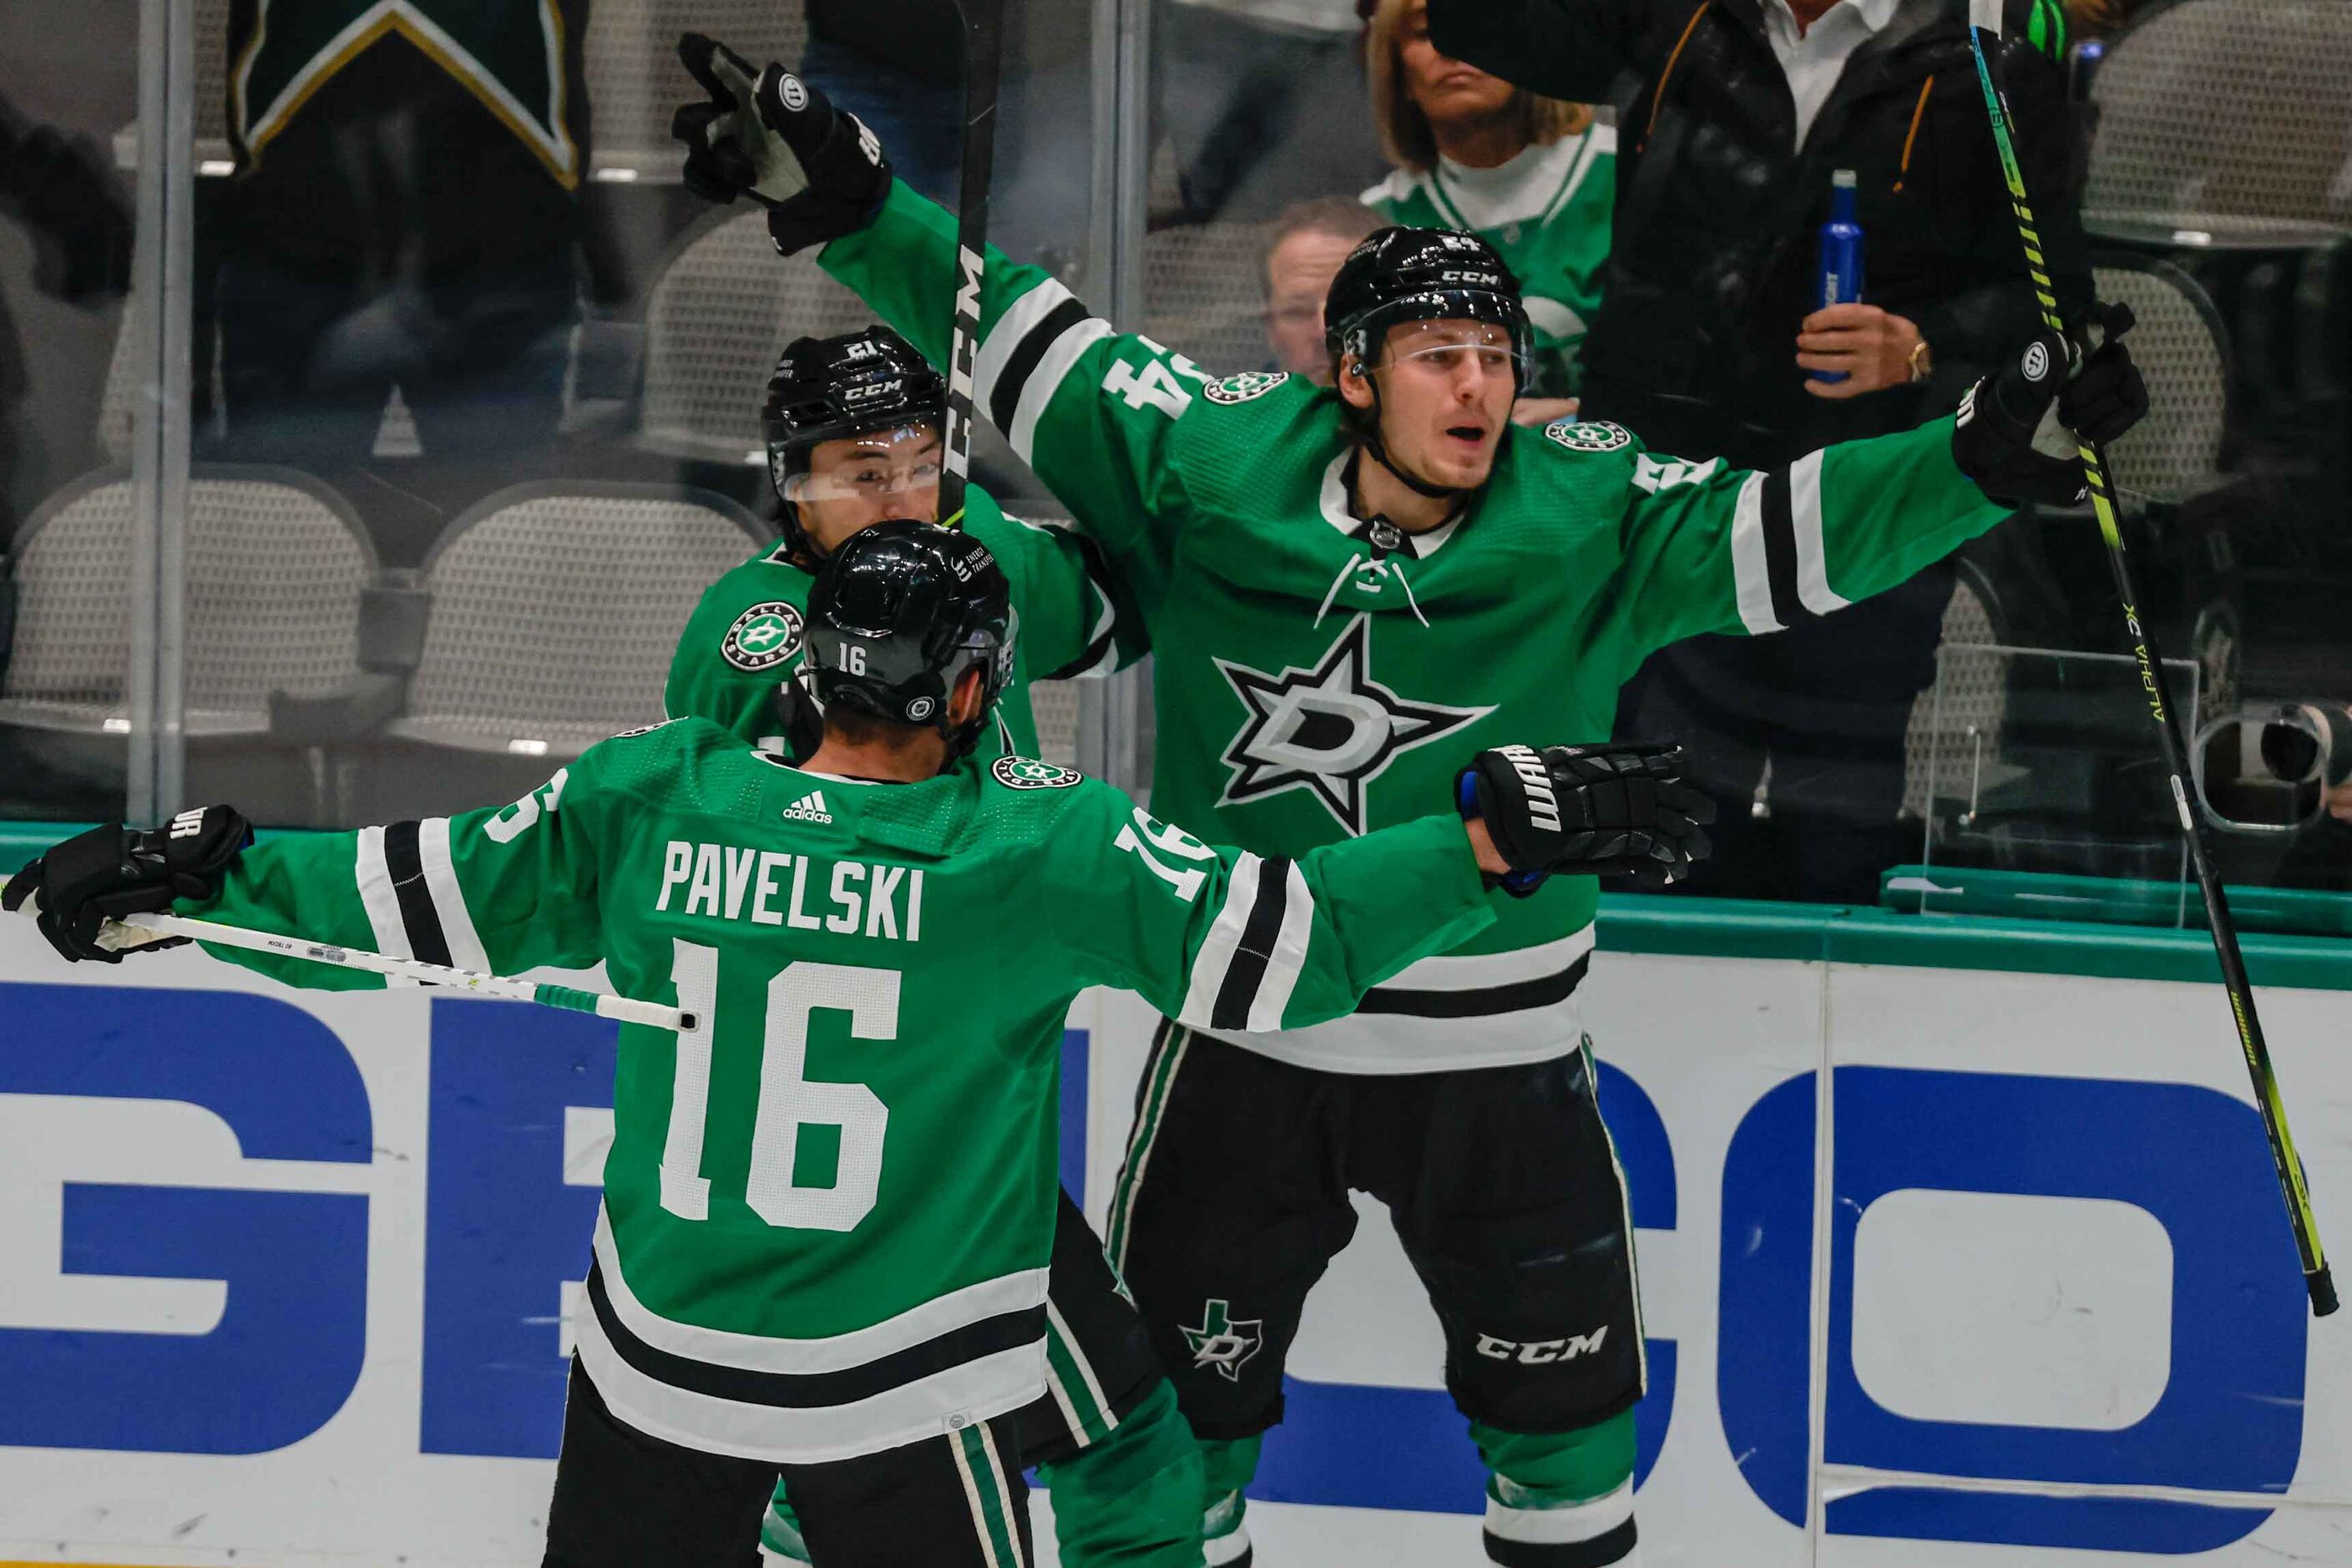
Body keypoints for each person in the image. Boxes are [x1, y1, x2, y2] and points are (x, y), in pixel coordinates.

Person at [668, 45, 2146, 1567]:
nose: (1478, 384)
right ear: (1352, 372)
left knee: (1571, 1471)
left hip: (1500, 1063)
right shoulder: (1209, 457)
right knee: (1175, 1458)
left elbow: (1788, 534)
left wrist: (1982, 452)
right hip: (1242, 1042)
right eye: (1436, 353)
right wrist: (850, 203)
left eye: (1496, 353)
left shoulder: (1585, 506)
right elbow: (1026, 341)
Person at [2, 518, 1695, 1568]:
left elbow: (393, 904)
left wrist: (182, 877)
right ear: (966, 692)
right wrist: (1482, 835)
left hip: (656, 1377)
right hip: (903, 1402)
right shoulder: (1035, 849)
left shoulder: (654, 795)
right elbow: (1292, 955)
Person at [662, 323, 1193, 1568]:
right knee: (1122, 1446)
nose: (897, 493)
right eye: (859, 468)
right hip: (898, 1139)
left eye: (915, 460)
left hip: (943, 1116)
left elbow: (1122, 609)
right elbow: (695, 865)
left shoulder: (966, 558)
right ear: (792, 479)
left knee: (834, 1479)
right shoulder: (754, 634)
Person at [1422, 0, 2095, 903]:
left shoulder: (1992, 43)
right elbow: (1480, 25)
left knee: (1838, 835)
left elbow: (2057, 298)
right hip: (1667, 487)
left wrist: (1922, 343)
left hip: (1858, 491)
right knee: (1641, 828)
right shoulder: (1677, 16)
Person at [1359, 0, 1611, 422]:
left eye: (1477, 21)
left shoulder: (1627, 174)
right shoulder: (1374, 227)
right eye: (1425, 33)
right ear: (1397, 71)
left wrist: (1577, 414)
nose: (1452, 47)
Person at [1262, 199, 1386, 385]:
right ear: (1271, 330)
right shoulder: (1232, 413)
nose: (1324, 333)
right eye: (1298, 312)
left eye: (1350, 307)